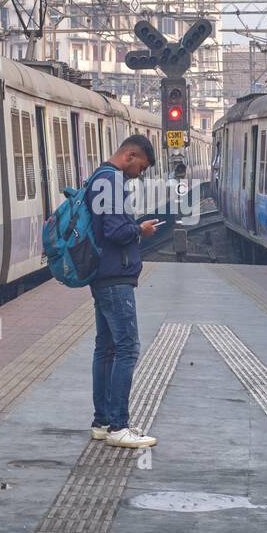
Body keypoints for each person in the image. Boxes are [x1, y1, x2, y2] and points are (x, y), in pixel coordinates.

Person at [88, 135, 161, 448]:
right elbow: (116, 231)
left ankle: (102, 422)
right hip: (115, 277)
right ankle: (118, 426)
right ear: (130, 155)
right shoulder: (112, 181)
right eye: (141, 167)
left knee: (105, 348)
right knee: (127, 348)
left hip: (102, 275)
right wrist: (140, 229)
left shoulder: (99, 177)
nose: (140, 174)